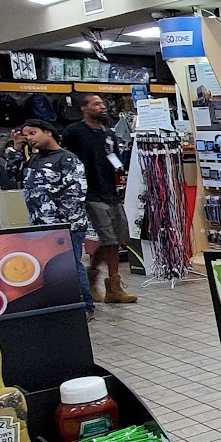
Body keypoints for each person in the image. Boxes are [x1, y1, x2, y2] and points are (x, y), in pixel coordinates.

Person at [61, 94, 137, 303]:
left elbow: (114, 157)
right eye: (96, 104)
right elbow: (67, 160)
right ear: (84, 108)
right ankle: (110, 284)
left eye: (102, 103)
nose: (102, 107)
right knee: (109, 238)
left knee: (118, 238)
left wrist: (119, 167)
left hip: (110, 191)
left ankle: (100, 280)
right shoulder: (74, 132)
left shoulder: (107, 132)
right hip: (90, 193)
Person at [18, 118, 95, 315]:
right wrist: (14, 151)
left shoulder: (67, 159)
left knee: (70, 265)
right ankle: (62, 305)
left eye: (33, 133)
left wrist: (60, 225)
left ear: (48, 132)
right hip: (40, 226)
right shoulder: (33, 159)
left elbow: (75, 195)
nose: (29, 138)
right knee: (49, 267)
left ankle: (85, 307)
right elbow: (14, 176)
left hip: (66, 227)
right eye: (26, 135)